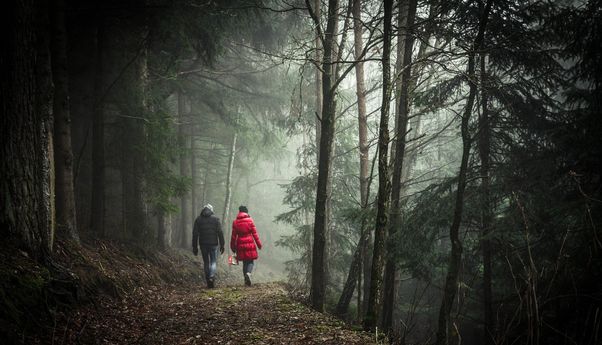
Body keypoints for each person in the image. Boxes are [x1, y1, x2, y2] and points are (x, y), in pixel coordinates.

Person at [192, 204, 225, 288]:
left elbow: (195, 234)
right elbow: (220, 232)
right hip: (213, 244)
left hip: (203, 244)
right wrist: (222, 244)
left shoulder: (198, 220)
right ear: (212, 210)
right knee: (213, 261)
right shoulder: (216, 220)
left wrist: (194, 247)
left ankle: (208, 280)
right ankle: (211, 277)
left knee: (206, 262)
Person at [230, 205, 262, 286]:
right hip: (249, 243)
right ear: (246, 212)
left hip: (240, 243)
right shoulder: (250, 220)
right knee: (250, 261)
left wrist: (232, 247)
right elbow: (255, 234)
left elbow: (233, 236)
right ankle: (248, 273)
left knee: (244, 262)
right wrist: (259, 244)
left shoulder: (235, 222)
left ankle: (246, 280)